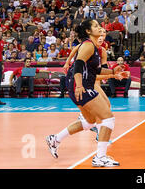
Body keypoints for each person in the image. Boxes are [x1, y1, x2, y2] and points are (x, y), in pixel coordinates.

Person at [46, 19, 121, 167]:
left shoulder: (94, 47)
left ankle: (55, 139)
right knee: (108, 119)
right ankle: (100, 157)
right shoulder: (88, 45)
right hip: (82, 87)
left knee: (89, 121)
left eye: (100, 27)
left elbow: (96, 70)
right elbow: (78, 65)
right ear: (88, 31)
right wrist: (79, 85)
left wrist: (113, 72)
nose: (99, 28)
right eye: (95, 26)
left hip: (80, 87)